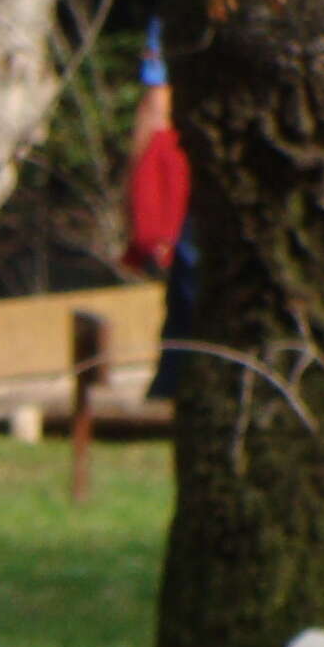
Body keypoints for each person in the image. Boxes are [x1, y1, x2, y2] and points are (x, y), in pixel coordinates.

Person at [125, 24, 193, 400]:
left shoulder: (178, 7)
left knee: (188, 294)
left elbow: (155, 109)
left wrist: (135, 201)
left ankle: (171, 389)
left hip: (193, 162)